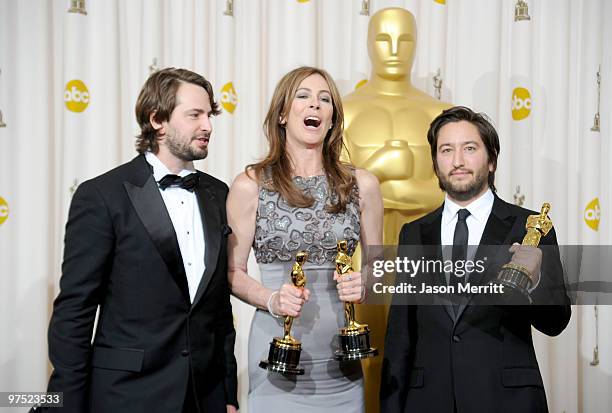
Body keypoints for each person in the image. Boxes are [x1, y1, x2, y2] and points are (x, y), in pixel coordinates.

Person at [43, 68, 238, 413]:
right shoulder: (102, 196)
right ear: (157, 119)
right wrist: (65, 405)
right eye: (195, 114)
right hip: (127, 396)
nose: (208, 126)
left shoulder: (219, 194)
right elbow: (75, 311)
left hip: (203, 396)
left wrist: (227, 394)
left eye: (209, 115)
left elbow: (219, 310)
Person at [381, 106, 571, 413]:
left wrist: (534, 281)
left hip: (507, 402)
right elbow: (401, 334)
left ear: (492, 159)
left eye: (469, 148)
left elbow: (556, 322)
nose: (457, 161)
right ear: (435, 162)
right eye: (446, 150)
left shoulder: (530, 228)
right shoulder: (413, 233)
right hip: (427, 402)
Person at [226, 66, 383, 412]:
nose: (315, 105)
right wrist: (271, 299)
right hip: (276, 359)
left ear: (332, 119)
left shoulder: (363, 185)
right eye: (303, 96)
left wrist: (365, 282)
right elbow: (232, 272)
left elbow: (379, 268)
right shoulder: (250, 184)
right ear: (283, 113)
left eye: (324, 100)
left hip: (342, 362)